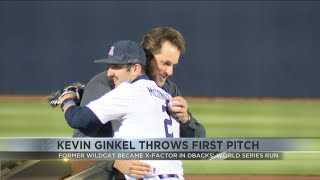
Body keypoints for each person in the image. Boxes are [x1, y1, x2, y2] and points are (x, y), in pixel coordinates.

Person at [72, 27, 206, 179]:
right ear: (147, 57)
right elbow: (80, 141)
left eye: (173, 65)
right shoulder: (106, 83)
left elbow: (197, 145)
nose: (170, 72)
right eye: (165, 63)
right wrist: (113, 160)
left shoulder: (168, 89)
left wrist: (185, 120)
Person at [59, 40, 184, 180]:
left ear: (136, 69)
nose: (109, 73)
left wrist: (66, 100)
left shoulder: (128, 91)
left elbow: (79, 119)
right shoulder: (166, 96)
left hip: (147, 175)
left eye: (116, 66)